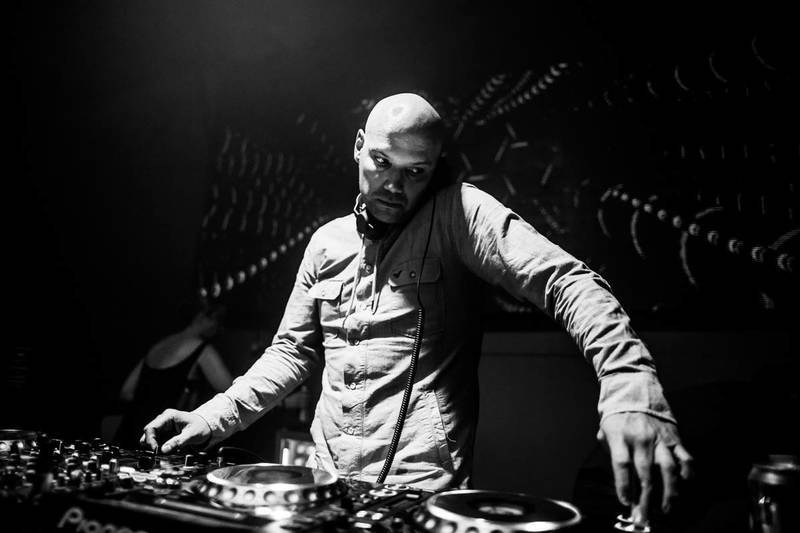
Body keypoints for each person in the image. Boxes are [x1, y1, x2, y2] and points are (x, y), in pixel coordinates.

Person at [141, 93, 692, 521]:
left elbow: (566, 282)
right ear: (358, 145)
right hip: (326, 488)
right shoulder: (326, 243)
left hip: (422, 496)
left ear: (436, 167)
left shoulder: (459, 216)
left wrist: (631, 389)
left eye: (415, 172)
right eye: (381, 162)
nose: (393, 185)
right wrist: (210, 417)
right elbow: (291, 352)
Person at [116, 305, 232, 447]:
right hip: (160, 436)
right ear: (205, 318)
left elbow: (126, 392)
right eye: (219, 324)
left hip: (129, 431)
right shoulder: (202, 349)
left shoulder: (159, 345)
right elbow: (229, 392)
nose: (219, 330)